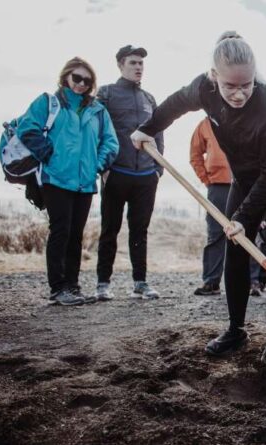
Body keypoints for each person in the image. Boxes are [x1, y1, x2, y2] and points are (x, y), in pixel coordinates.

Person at [131, 31, 266, 366]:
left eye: (246, 85)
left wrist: (241, 217)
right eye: (230, 86)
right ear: (214, 76)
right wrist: (147, 128)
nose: (239, 94)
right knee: (235, 247)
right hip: (244, 177)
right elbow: (175, 104)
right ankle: (236, 330)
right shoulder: (204, 88)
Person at [17, 57, 118, 305]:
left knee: (76, 235)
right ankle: (58, 288)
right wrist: (49, 156)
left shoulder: (98, 110)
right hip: (56, 178)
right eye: (77, 78)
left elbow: (110, 142)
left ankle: (73, 287)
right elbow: (26, 128)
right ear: (66, 77)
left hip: (85, 181)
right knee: (60, 231)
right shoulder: (47, 102)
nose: (82, 84)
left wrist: (97, 165)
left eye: (87, 81)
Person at [95, 45, 164, 301]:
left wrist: (158, 169)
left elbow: (158, 133)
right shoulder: (106, 94)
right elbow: (97, 130)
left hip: (145, 176)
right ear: (121, 65)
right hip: (116, 172)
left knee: (139, 231)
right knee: (109, 229)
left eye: (141, 63)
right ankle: (103, 284)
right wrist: (103, 168)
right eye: (133, 62)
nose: (138, 67)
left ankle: (140, 283)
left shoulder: (149, 99)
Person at [189, 117, 263, 296]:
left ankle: (253, 281)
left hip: (247, 185)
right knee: (216, 234)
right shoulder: (206, 124)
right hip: (218, 186)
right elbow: (195, 154)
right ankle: (211, 282)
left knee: (250, 232)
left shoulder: (251, 118)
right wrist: (207, 179)